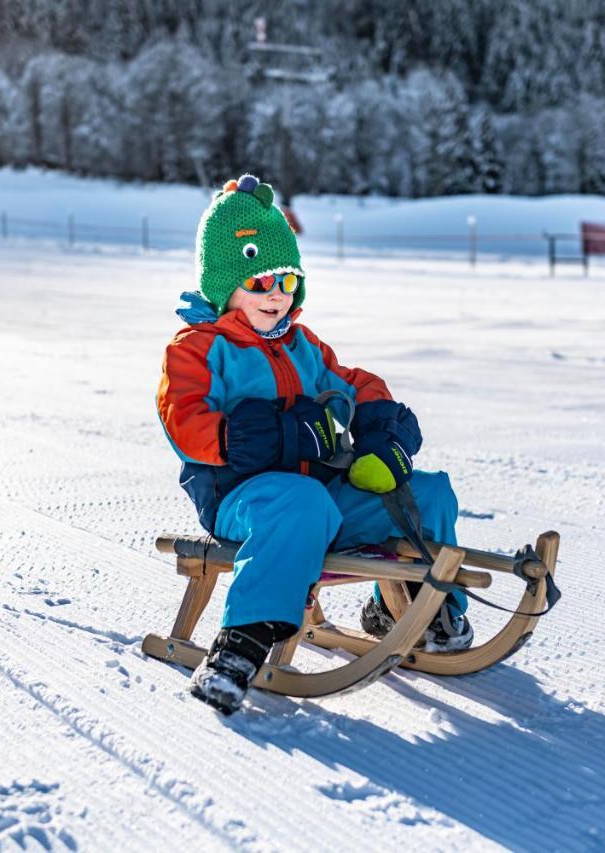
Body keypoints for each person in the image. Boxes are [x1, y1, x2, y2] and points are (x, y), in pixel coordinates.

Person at [157, 174, 470, 715]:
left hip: (322, 497)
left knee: (428, 493)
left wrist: (382, 429)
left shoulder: (304, 344)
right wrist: (277, 433)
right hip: (244, 501)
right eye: (259, 283)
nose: (275, 295)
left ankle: (419, 607)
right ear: (223, 282)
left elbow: (357, 384)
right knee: (298, 502)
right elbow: (184, 423)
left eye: (286, 281)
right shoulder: (197, 349)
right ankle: (242, 644)